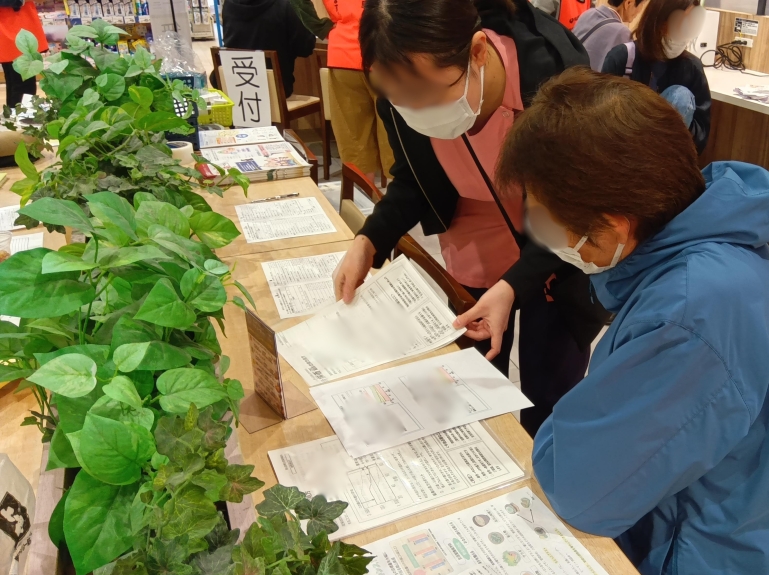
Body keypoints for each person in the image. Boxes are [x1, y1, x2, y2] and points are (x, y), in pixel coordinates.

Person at [496, 68, 769, 575]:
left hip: (700, 557)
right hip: (693, 526)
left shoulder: (691, 312)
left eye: (547, 223)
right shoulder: (711, 248)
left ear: (614, 226)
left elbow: (577, 487)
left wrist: (574, 417)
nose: (543, 237)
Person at [331, 0, 603, 436]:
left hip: (558, 253)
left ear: (477, 52)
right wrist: (369, 240)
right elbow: (414, 179)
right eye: (399, 99)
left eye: (427, 94)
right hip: (475, 243)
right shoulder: (400, 94)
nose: (415, 112)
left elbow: (577, 208)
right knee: (475, 388)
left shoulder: (553, 80)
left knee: (549, 396)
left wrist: (514, 285)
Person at [290, 0, 395, 182]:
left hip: (343, 54)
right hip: (388, 52)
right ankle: (401, 197)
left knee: (354, 139)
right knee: (395, 137)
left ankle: (362, 195)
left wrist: (322, 29)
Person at [601, 0, 711, 153]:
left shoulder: (692, 68)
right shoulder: (622, 57)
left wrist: (680, 123)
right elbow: (601, 118)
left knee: (681, 96)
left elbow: (701, 135)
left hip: (666, 155)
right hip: (623, 150)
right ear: (659, 19)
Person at [221, 0, 316, 97]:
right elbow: (305, 48)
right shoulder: (290, 4)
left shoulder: (229, 4)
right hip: (274, 92)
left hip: (232, 89)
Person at [572, 0, 646, 71]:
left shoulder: (588, 13)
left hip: (570, 74)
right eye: (642, 4)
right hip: (588, 79)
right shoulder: (622, 33)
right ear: (628, 3)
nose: (639, 11)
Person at [0, 0, 46, 109]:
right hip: (13, 24)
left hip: (12, 22)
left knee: (14, 80)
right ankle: (22, 113)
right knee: (22, 82)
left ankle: (14, 112)